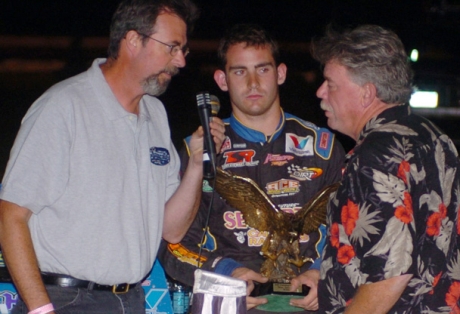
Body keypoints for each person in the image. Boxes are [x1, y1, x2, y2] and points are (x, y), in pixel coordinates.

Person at [0, 0, 226, 313]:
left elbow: (171, 229)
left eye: (183, 50)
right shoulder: (64, 107)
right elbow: (10, 215)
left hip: (131, 300)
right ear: (133, 41)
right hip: (66, 299)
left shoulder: (155, 114)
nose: (181, 61)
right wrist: (41, 309)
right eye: (172, 47)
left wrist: (197, 164)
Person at [158, 23, 345, 313]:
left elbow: (351, 228)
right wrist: (227, 275)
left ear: (280, 73)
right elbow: (173, 245)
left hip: (308, 304)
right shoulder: (198, 150)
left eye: (263, 69)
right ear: (222, 80)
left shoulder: (323, 147)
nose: (253, 83)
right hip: (229, 306)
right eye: (240, 71)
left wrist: (323, 270)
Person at [311, 24, 460, 313]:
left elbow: (390, 274)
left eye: (330, 83)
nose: (320, 92)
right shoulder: (436, 138)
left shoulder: (375, 155)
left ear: (366, 94)